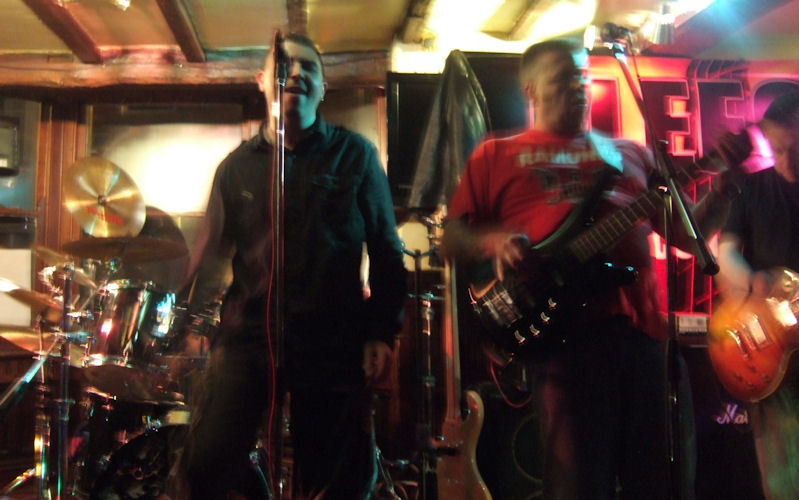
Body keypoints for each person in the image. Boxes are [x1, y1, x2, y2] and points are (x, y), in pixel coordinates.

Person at [440, 38, 750, 499]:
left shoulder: (629, 154)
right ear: (531, 89)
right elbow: (451, 239)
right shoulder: (495, 155)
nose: (578, 87)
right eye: (564, 78)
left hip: (645, 341)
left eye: (582, 76)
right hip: (565, 345)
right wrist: (494, 239)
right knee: (578, 487)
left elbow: (690, 234)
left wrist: (722, 190)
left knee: (658, 484)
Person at [180, 32, 408, 499]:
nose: (298, 73)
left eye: (310, 67)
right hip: (247, 338)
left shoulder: (356, 155)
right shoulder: (235, 168)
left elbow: (387, 251)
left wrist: (380, 331)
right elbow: (211, 254)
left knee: (333, 480)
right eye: (287, 65)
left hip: (332, 338)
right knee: (204, 465)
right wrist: (191, 325)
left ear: (323, 88)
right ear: (263, 80)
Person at [715, 91, 799, 499]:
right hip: (771, 358)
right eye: (779, 150)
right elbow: (726, 251)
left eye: (796, 150)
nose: (787, 162)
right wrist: (749, 282)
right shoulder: (753, 188)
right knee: (782, 486)